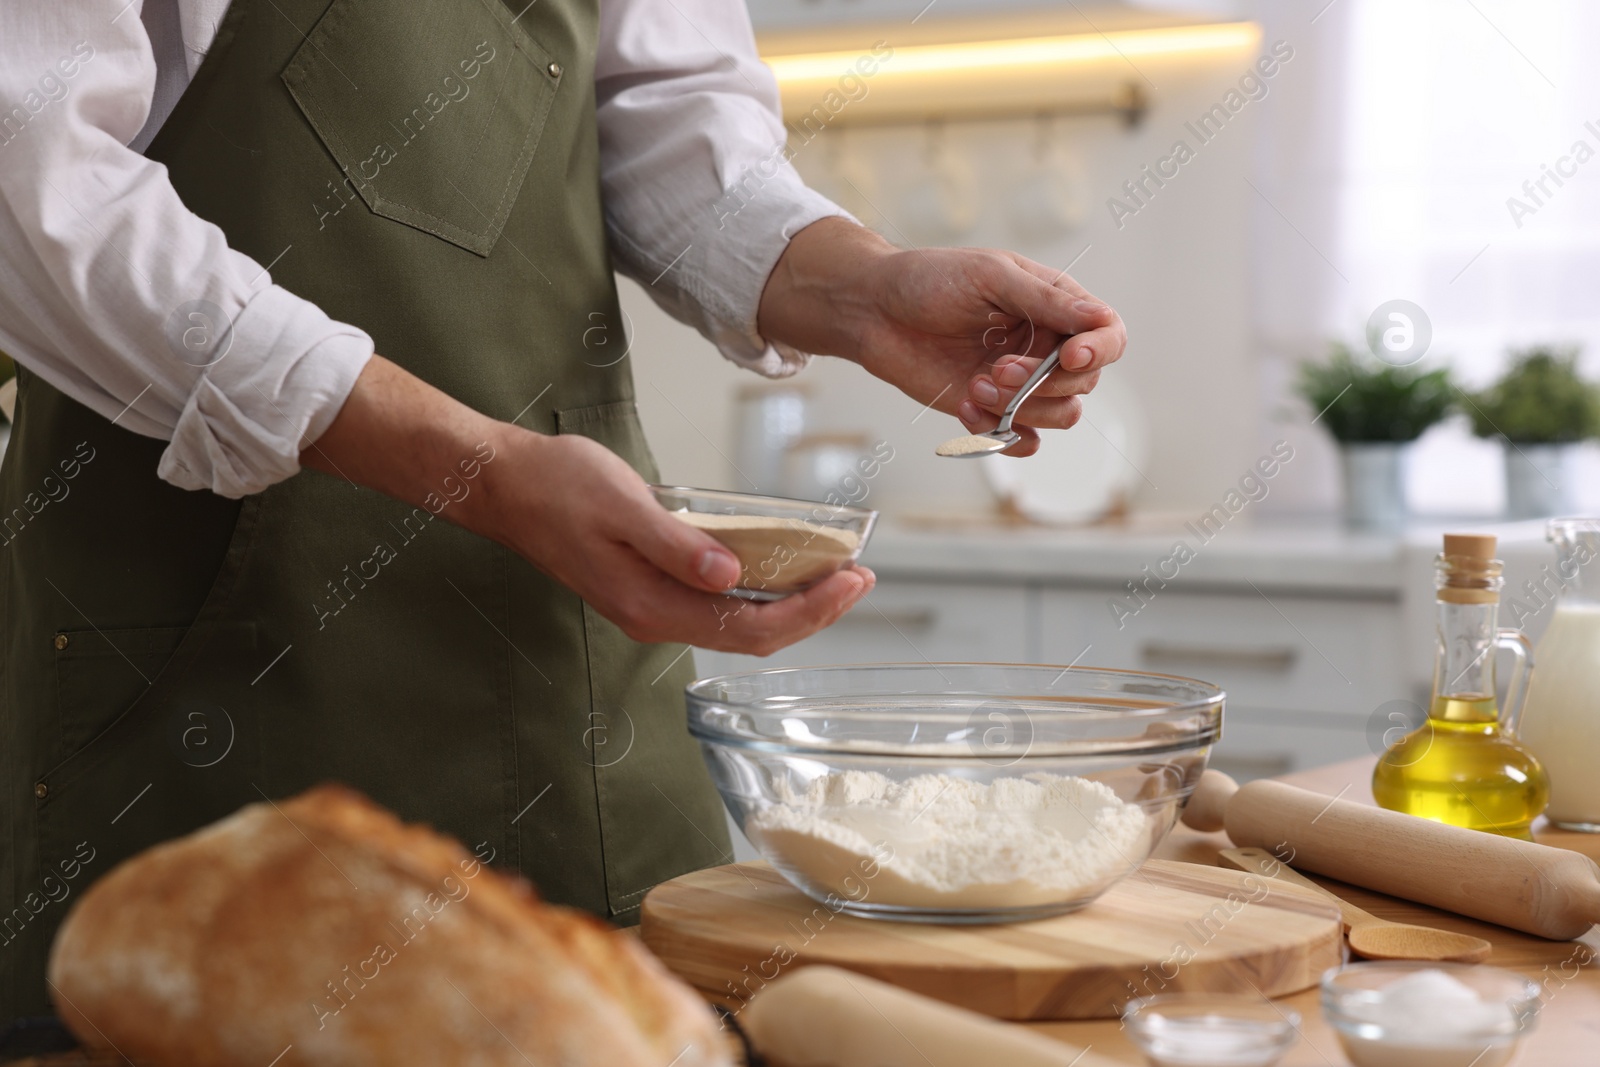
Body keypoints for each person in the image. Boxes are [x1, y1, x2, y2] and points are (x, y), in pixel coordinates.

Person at [0, 0, 1126, 1015]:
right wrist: (482, 470)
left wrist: (866, 291)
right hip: (207, 657)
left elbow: (670, 110)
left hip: (564, 679)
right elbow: (30, 172)